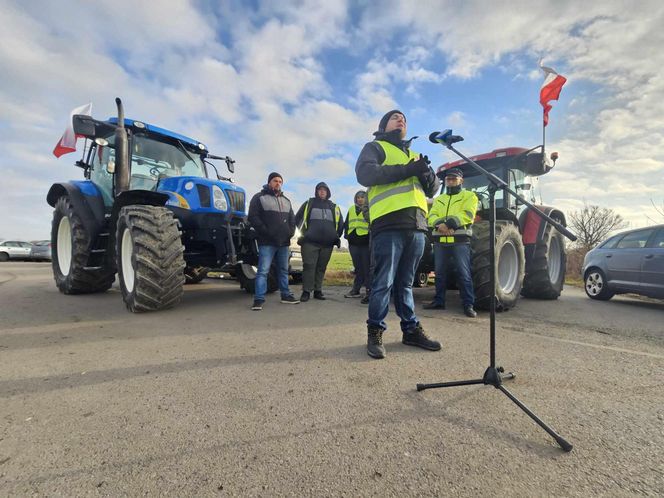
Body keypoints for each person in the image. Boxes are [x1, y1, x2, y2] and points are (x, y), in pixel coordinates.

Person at [355, 109, 442, 359]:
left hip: (416, 226)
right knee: (383, 283)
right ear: (384, 126)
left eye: (403, 118)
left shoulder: (415, 155)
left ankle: (411, 330)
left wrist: (424, 172)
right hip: (388, 225)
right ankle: (375, 331)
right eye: (395, 117)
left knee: (406, 284)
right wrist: (408, 170)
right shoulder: (375, 147)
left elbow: (434, 188)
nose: (400, 119)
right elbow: (365, 174)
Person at [424, 167, 478, 317]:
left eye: (454, 178)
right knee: (439, 273)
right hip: (441, 241)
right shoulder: (439, 199)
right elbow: (432, 216)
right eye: (448, 179)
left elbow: (467, 214)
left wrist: (449, 224)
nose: (450, 180)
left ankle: (468, 304)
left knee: (463, 273)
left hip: (460, 241)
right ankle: (439, 301)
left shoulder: (469, 196)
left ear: (461, 180)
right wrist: (441, 225)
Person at [247, 172, 300, 310]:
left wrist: (290, 232)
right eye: (275, 180)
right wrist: (266, 231)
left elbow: (292, 220)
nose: (278, 183)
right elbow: (253, 216)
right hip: (267, 242)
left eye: (280, 181)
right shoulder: (259, 198)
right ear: (269, 182)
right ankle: (258, 299)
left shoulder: (286, 201)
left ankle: (286, 295)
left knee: (283, 270)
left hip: (283, 242)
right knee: (263, 271)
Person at [295, 182, 343, 302]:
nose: (322, 192)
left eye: (324, 190)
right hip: (310, 243)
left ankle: (318, 290)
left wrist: (335, 236)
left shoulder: (334, 207)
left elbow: (341, 224)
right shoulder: (309, 203)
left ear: (328, 192)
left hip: (327, 244)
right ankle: (306, 291)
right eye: (320, 190)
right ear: (316, 191)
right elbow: (297, 219)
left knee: (321, 268)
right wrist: (305, 233)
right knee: (309, 267)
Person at [343, 190, 371, 299]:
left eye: (362, 197)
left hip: (365, 242)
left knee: (366, 268)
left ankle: (369, 291)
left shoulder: (369, 209)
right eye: (358, 197)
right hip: (353, 243)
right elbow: (346, 223)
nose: (360, 199)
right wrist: (346, 235)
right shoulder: (351, 209)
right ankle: (356, 290)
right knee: (358, 268)